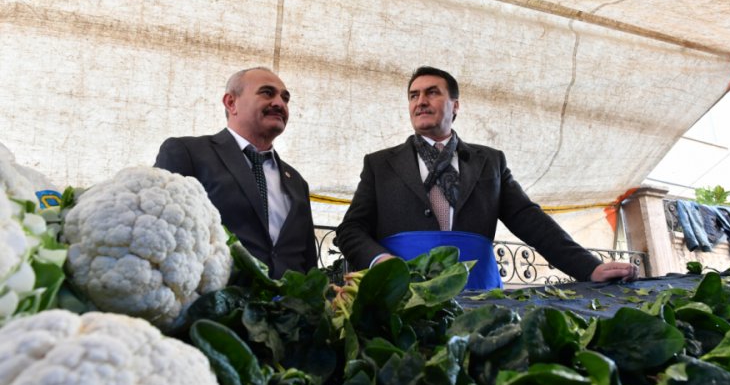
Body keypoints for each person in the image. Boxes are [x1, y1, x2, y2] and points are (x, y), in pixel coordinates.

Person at [335, 66, 638, 283]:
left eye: (432, 93)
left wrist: (589, 268)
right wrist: (381, 262)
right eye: (413, 96)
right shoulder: (379, 165)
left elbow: (531, 221)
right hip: (403, 291)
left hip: (478, 292)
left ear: (455, 106)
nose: (420, 101)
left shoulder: (490, 162)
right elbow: (350, 230)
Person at [155, 67, 317, 279]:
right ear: (231, 103)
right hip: (216, 295)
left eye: (285, 98)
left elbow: (308, 259)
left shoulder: (297, 181)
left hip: (289, 299)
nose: (280, 103)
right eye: (267, 93)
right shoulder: (188, 153)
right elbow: (161, 233)